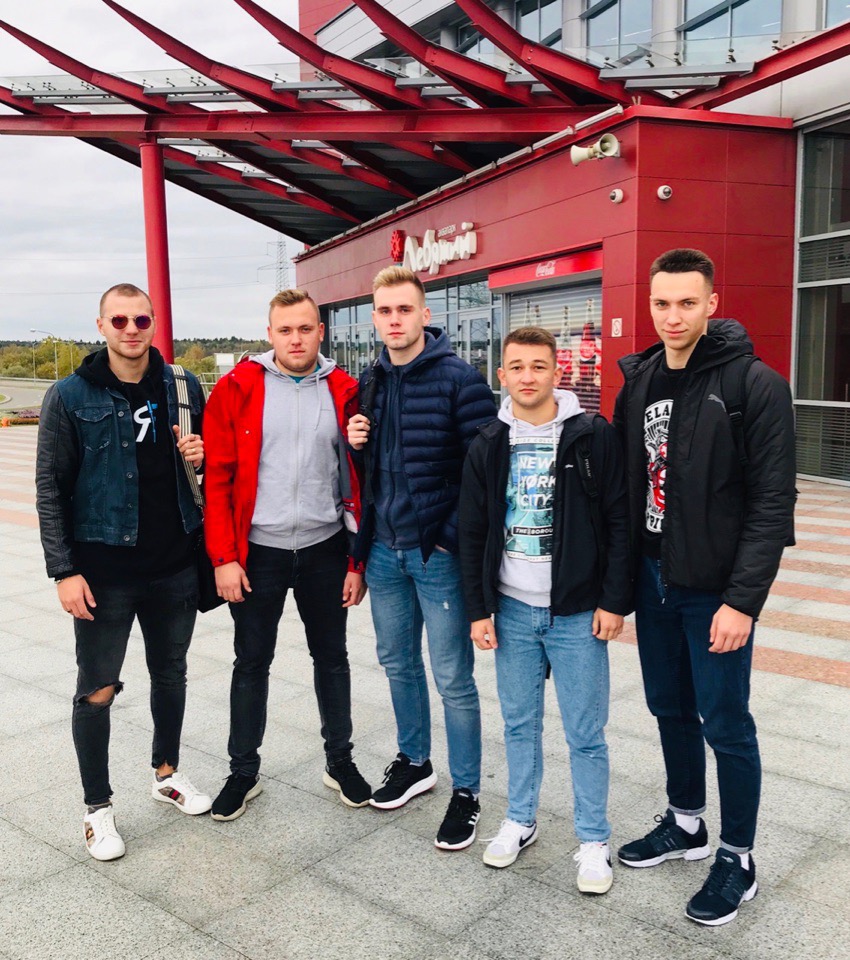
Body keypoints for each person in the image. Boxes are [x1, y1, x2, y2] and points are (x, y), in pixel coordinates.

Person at [613, 248, 796, 926]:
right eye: (662, 303)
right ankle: (686, 822)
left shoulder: (754, 384)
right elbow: (623, 487)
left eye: (687, 303)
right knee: (668, 707)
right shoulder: (639, 380)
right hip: (654, 580)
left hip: (714, 590)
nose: (673, 316)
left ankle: (737, 858)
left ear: (712, 303)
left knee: (726, 723)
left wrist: (742, 602)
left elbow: (772, 503)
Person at [35, 282, 212, 862]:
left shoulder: (182, 386)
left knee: (171, 674)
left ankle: (167, 774)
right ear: (101, 326)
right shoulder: (70, 395)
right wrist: (64, 570)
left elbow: (208, 465)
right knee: (97, 690)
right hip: (103, 571)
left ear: (154, 323)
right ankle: (97, 809)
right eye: (119, 320)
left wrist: (202, 457)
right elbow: (50, 489)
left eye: (141, 320)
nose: (131, 329)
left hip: (174, 565)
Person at [458, 326, 630, 892]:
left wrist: (613, 600)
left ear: (557, 372)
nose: (527, 376)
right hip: (511, 610)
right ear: (501, 375)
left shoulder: (592, 436)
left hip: (577, 612)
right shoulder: (488, 442)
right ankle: (520, 819)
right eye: (517, 367)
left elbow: (619, 521)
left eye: (538, 366)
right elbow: (474, 530)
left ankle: (593, 839)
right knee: (519, 724)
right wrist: (478, 609)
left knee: (586, 731)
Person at [202, 289, 370, 820]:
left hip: (325, 547)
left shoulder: (346, 390)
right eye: (285, 330)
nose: (295, 339)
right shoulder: (237, 387)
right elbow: (218, 479)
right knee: (252, 662)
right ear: (269, 333)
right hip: (258, 553)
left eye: (305, 328)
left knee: (333, 659)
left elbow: (362, 478)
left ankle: (340, 761)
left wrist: (356, 563)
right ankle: (242, 772)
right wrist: (224, 557)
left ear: (321, 331)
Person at [347, 266, 497, 850]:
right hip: (385, 551)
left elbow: (484, 473)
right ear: (374, 318)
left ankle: (467, 791)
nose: (394, 320)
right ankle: (415, 761)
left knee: (453, 676)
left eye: (404, 310)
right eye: (385, 311)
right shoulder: (371, 380)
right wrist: (354, 440)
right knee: (397, 662)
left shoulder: (461, 379)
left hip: (437, 554)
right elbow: (373, 471)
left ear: (425, 315)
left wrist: (447, 539)